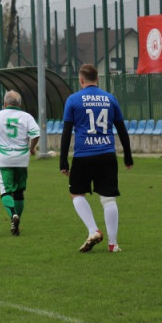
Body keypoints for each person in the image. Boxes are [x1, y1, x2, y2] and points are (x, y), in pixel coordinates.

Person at [60, 63, 134, 253]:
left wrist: (63, 160)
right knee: (108, 199)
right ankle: (113, 244)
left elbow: (67, 133)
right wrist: (127, 155)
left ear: (81, 79)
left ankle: (93, 230)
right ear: (98, 79)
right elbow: (122, 130)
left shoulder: (73, 100)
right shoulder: (110, 98)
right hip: (107, 154)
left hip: (83, 155)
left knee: (76, 194)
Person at [0, 91, 41, 236]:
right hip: (21, 158)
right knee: (19, 191)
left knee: (5, 190)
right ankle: (17, 220)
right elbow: (36, 134)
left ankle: (13, 215)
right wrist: (32, 148)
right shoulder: (26, 117)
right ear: (19, 104)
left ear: (5, 104)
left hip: (4, 158)